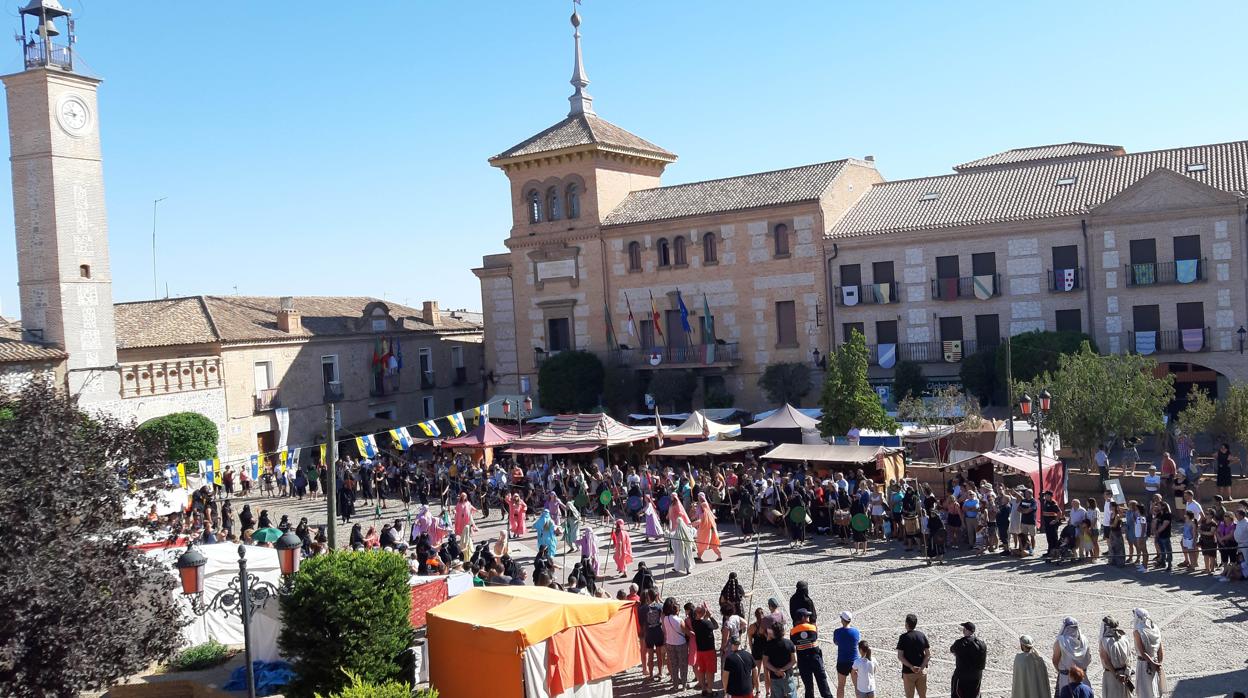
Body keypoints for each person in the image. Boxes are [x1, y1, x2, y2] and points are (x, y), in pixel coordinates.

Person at [791, 608, 832, 698]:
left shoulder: (793, 632)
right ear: (802, 618)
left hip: (803, 660)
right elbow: (815, 637)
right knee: (823, 682)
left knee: (808, 687)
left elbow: (794, 642)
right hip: (815, 658)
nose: (809, 617)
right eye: (807, 616)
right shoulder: (813, 628)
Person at [1053, 616, 1092, 695]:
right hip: (1082, 677)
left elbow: (1055, 660)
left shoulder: (1061, 641)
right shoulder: (1084, 640)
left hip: (1066, 679)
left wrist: (1061, 671)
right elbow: (1089, 659)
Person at [1098, 616, 1134, 698]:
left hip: (1111, 676)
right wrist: (1127, 673)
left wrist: (1116, 675)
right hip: (1125, 675)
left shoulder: (1104, 642)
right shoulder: (1124, 638)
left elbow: (1106, 661)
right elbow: (1130, 657)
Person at [1132, 608, 1164, 698]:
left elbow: (1143, 653)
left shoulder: (1138, 632)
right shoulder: (1155, 628)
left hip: (1144, 664)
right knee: (1155, 689)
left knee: (1145, 691)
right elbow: (1160, 649)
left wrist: (1153, 664)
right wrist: (1159, 663)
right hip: (1155, 662)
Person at [950, 621, 987, 698]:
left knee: (958, 694)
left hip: (962, 676)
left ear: (966, 630)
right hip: (976, 676)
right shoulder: (982, 644)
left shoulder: (960, 643)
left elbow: (952, 651)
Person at [895, 613, 929, 698]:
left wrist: (911, 667)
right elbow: (928, 655)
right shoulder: (921, 635)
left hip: (908, 672)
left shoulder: (903, 637)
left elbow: (900, 656)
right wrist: (921, 667)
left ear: (906, 624)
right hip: (921, 672)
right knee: (923, 696)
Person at [690, 602, 719, 696]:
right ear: (704, 613)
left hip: (699, 651)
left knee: (702, 670)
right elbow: (716, 626)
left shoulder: (694, 623)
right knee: (710, 671)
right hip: (709, 650)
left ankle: (703, 689)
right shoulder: (707, 623)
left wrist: (705, 614)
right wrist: (710, 616)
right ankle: (710, 690)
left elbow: (699, 620)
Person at [763, 622, 799, 698]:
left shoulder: (768, 645)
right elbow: (794, 660)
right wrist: (783, 669)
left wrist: (776, 670)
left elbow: (765, 662)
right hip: (787, 674)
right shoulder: (789, 643)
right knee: (791, 694)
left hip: (774, 676)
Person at [662, 598, 689, 692]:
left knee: (674, 665)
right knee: (683, 665)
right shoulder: (680, 620)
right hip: (681, 644)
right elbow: (686, 632)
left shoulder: (665, 618)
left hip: (670, 643)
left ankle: (675, 685)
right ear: (677, 611)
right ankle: (684, 685)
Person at [831, 611, 859, 698]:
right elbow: (857, 642)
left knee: (841, 686)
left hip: (842, 661)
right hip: (854, 662)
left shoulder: (837, 632)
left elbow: (836, 642)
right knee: (857, 686)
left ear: (842, 620)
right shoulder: (856, 631)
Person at [723, 633, 760, 698]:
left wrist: (726, 691)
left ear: (731, 644)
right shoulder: (749, 655)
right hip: (748, 690)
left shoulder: (729, 658)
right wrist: (758, 691)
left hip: (735, 692)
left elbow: (725, 677)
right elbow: (755, 671)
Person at [641, 589, 665, 681]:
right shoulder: (659, 606)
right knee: (659, 654)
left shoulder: (644, 609)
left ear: (648, 597)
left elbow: (642, 622)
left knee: (650, 655)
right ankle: (660, 672)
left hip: (649, 633)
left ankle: (651, 674)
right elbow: (662, 618)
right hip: (658, 631)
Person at [694, 492, 724, 562]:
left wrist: (694, 523)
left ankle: (719, 556)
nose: (698, 498)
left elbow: (705, 515)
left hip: (707, 527)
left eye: (699, 497)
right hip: (705, 526)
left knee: (705, 542)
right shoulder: (701, 504)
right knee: (704, 542)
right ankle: (699, 556)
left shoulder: (703, 504)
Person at [671, 506, 698, 575]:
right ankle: (687, 570)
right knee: (687, 558)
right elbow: (693, 531)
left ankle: (677, 568)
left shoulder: (677, 532)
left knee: (679, 558)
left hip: (681, 548)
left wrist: (667, 533)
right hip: (686, 547)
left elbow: (672, 536)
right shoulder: (686, 529)